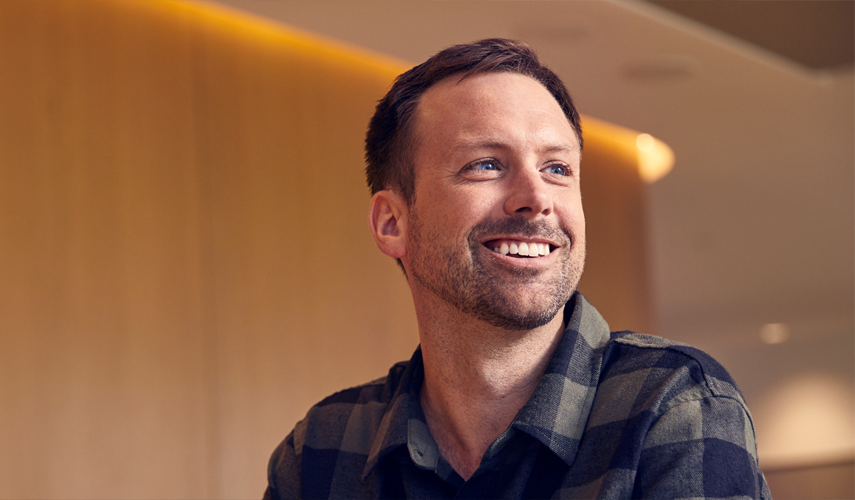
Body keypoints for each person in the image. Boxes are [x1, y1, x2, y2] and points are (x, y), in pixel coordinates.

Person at [265, 38, 770, 500]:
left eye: (557, 169)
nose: (537, 199)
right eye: (485, 164)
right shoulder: (321, 452)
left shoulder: (673, 404)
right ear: (392, 222)